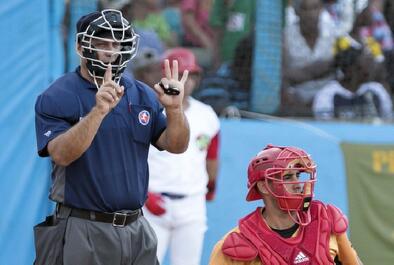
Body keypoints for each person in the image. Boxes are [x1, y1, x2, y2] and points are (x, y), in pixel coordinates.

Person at [33, 9, 190, 265]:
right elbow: (60, 154)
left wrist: (174, 110)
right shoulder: (57, 95)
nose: (110, 51)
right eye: (101, 43)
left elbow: (176, 145)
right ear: (80, 45)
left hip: (136, 227)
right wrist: (98, 112)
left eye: (116, 44)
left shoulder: (142, 94)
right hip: (83, 226)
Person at [209, 144, 364, 265]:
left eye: (298, 175)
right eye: (288, 177)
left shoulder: (326, 221)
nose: (298, 184)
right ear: (264, 186)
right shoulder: (236, 243)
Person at [143, 47, 220, 265]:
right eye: (180, 74)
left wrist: (211, 185)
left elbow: (212, 155)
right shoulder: (149, 109)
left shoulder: (206, 114)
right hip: (153, 200)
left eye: (191, 75)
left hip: (192, 202)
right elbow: (132, 157)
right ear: (165, 75)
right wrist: (143, 193)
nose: (186, 81)